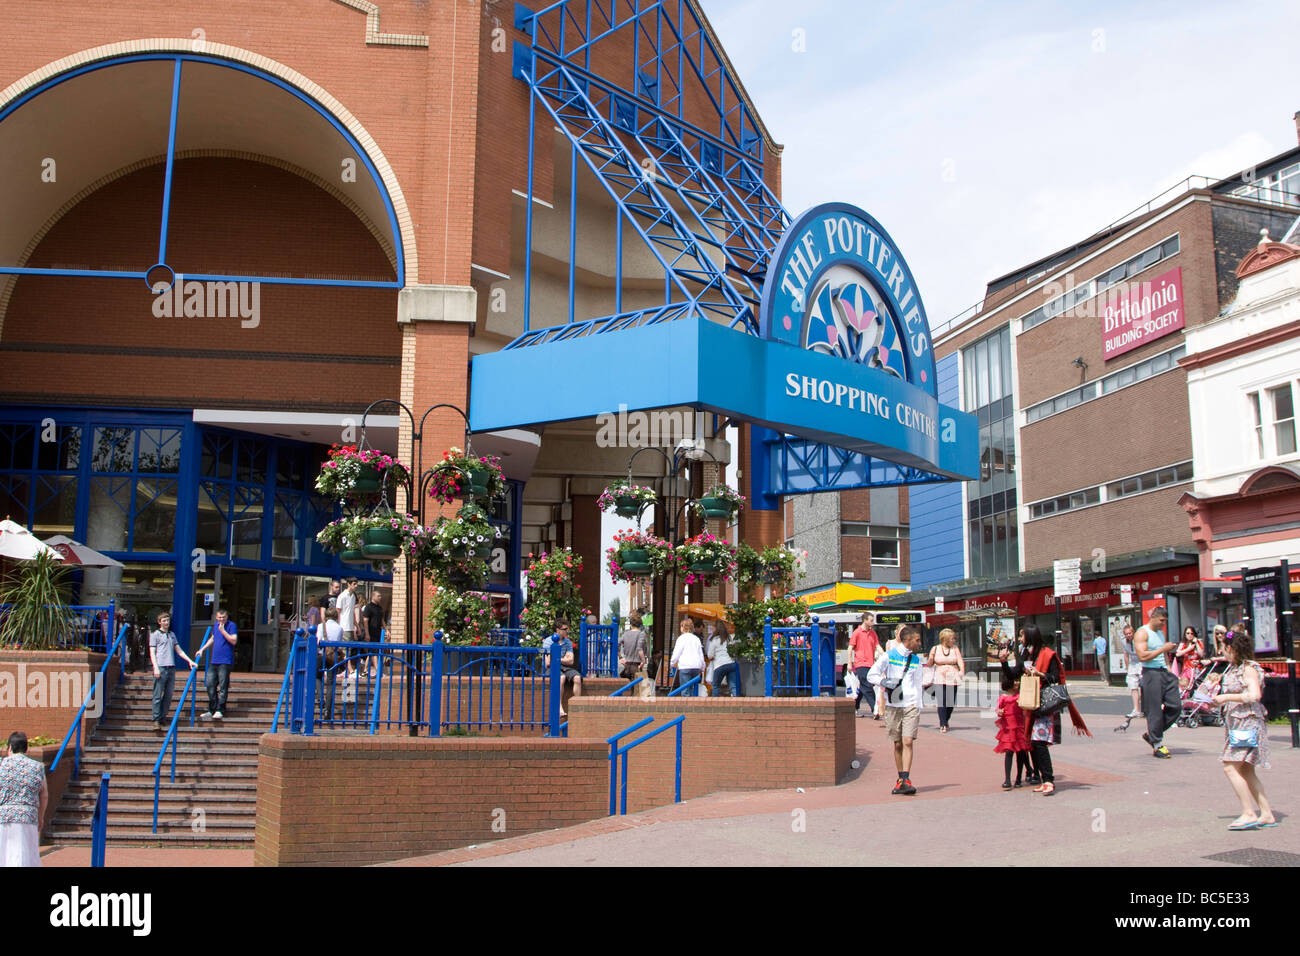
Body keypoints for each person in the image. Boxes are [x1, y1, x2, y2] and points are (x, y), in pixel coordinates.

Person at [1211, 629, 1275, 830]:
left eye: (1224, 648)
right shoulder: (1234, 668)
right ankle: (1266, 814)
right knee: (1246, 769)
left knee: (1230, 766)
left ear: (1232, 648)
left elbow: (1254, 695)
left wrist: (1226, 698)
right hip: (1239, 723)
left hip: (1247, 724)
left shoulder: (1248, 668)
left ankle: (1248, 813)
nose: (1223, 652)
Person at [1022, 626, 1091, 795]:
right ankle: (1045, 779)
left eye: (1021, 636)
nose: (1019, 639)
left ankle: (1048, 780)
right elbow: (1017, 671)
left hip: (1045, 704)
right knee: (1035, 743)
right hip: (1032, 702)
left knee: (1039, 743)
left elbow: (1055, 677)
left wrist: (1040, 674)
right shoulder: (1028, 654)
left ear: (1030, 637)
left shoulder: (1048, 654)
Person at [868, 624, 924, 795]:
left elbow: (918, 684)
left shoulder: (916, 660)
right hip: (893, 705)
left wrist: (919, 705)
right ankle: (900, 779)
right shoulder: (889, 656)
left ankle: (906, 778)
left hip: (910, 705)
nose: (919, 643)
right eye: (917, 640)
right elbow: (872, 675)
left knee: (908, 741)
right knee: (898, 743)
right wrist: (885, 683)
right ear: (908, 640)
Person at [1134, 606, 1179, 758]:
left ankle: (1152, 733)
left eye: (1165, 621)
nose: (1163, 624)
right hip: (1150, 673)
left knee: (1176, 706)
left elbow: (1164, 654)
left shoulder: (1160, 633)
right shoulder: (1142, 632)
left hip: (1163, 672)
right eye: (1161, 620)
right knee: (1155, 711)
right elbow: (1142, 656)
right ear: (1153, 617)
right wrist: (1162, 649)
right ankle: (1157, 744)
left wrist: (1169, 671)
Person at [998, 629, 1039, 784]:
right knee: (1026, 741)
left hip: (1035, 695)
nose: (1020, 639)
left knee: (1032, 740)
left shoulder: (1041, 653)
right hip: (1025, 698)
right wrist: (1004, 663)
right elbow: (1012, 674)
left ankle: (1035, 772)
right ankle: (1030, 772)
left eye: (1022, 636)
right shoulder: (1023, 654)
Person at [0, 732, 48, 867]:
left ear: (10, 748)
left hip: (4, 816)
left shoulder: (2, 764)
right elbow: (44, 794)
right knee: (26, 855)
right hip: (28, 815)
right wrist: (41, 817)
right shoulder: (37, 766)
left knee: (4, 855)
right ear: (26, 749)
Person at [149, 612, 198, 731]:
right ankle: (156, 720)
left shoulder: (172, 635)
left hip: (171, 668)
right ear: (159, 622)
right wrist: (155, 667)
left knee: (169, 694)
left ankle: (163, 717)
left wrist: (190, 661)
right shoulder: (155, 634)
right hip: (161, 667)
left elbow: (179, 650)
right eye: (164, 621)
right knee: (157, 695)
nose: (166, 623)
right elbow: (152, 652)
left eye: (168, 620)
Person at [195, 608, 237, 720]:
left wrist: (223, 631)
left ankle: (220, 709)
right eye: (219, 617)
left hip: (226, 660)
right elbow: (213, 638)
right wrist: (202, 649)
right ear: (216, 617)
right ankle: (212, 709)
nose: (221, 619)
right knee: (210, 685)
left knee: (223, 686)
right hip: (214, 660)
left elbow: (233, 640)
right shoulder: (215, 626)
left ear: (227, 617)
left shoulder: (231, 625)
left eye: (223, 617)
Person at [994, 672, 1030, 790]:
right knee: (1009, 752)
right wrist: (999, 712)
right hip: (1008, 729)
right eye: (1015, 680)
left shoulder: (1021, 696)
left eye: (1018, 680)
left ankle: (1019, 778)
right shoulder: (1003, 697)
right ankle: (1008, 779)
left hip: (1019, 728)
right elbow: (998, 709)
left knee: (1021, 753)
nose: (1017, 683)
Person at [926, 627, 965, 733]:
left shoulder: (955, 649)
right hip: (940, 676)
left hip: (953, 676)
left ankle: (946, 719)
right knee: (942, 701)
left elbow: (960, 661)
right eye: (952, 638)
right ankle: (942, 723)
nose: (954, 640)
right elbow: (929, 664)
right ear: (946, 639)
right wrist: (930, 659)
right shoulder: (935, 649)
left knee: (950, 702)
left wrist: (962, 671)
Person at [543, 621, 582, 717]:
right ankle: (559, 708)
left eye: (567, 629)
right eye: (564, 629)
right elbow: (548, 662)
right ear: (557, 630)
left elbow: (571, 661)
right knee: (561, 678)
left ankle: (578, 707)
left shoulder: (567, 642)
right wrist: (564, 659)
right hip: (552, 667)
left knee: (577, 678)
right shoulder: (548, 641)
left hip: (565, 667)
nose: (567, 631)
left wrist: (556, 659)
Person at [848, 612, 880, 719]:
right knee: (867, 686)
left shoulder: (873, 633)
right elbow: (850, 648)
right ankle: (875, 709)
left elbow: (878, 646)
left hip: (871, 664)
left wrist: (886, 657)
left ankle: (854, 706)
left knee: (863, 687)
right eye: (871, 620)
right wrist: (849, 662)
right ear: (865, 620)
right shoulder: (857, 632)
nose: (873, 622)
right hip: (860, 663)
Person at [669, 616, 705, 697]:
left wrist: (671, 664)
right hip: (696, 667)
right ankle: (693, 706)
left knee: (685, 690)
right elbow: (700, 654)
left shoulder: (681, 639)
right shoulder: (696, 639)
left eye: (681, 626)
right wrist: (703, 667)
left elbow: (676, 654)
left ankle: (686, 708)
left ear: (683, 627)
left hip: (685, 666)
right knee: (693, 689)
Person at [708, 621, 741, 697]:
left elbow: (710, 655)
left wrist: (713, 657)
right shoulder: (729, 638)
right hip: (731, 663)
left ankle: (715, 704)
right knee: (733, 686)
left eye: (713, 627)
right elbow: (733, 651)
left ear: (716, 629)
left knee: (716, 686)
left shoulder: (714, 640)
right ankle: (737, 702)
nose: (712, 629)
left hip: (719, 665)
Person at [1120, 624, 1142, 721]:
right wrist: (1127, 667)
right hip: (1133, 663)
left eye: (1130, 633)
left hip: (1142, 662)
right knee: (1133, 685)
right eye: (1126, 634)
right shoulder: (1124, 642)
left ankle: (1143, 707)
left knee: (1143, 686)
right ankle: (1136, 709)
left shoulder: (1139, 639)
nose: (1129, 635)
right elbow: (1126, 655)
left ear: (1133, 632)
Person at [361, 590, 385, 677]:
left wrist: (386, 630)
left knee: (372, 651)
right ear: (373, 596)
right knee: (374, 651)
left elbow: (382, 620)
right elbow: (365, 620)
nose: (380, 597)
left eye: (380, 596)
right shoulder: (368, 607)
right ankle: (378, 671)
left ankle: (365, 669)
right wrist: (367, 633)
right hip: (371, 632)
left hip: (378, 632)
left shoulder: (379, 608)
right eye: (378, 596)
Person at [618, 614, 649, 681]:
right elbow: (639, 648)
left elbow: (617, 644)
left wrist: (620, 657)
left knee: (628, 688)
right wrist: (643, 661)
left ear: (631, 625)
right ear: (640, 624)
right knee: (638, 688)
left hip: (627, 665)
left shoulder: (625, 634)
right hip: (637, 665)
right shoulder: (641, 634)